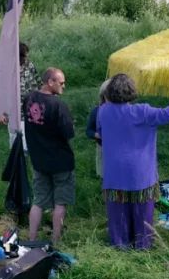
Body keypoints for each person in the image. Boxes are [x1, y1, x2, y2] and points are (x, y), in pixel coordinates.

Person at [98, 73, 169, 249]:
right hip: (140, 173)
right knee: (142, 213)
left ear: (109, 92)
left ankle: (120, 243)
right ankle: (143, 245)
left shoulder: (103, 112)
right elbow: (168, 113)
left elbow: (101, 134)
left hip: (114, 173)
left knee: (118, 213)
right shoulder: (142, 112)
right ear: (131, 91)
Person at [24, 67, 75, 244]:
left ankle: (31, 238)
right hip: (60, 160)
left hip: (38, 159)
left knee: (38, 201)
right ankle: (55, 239)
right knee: (60, 202)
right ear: (50, 82)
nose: (63, 86)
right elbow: (69, 133)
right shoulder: (58, 105)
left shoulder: (29, 99)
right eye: (61, 83)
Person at [86, 80, 111, 178]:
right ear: (103, 96)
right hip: (102, 147)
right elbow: (88, 131)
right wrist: (97, 135)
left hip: (120, 148)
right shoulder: (97, 111)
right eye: (108, 95)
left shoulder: (123, 112)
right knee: (104, 174)